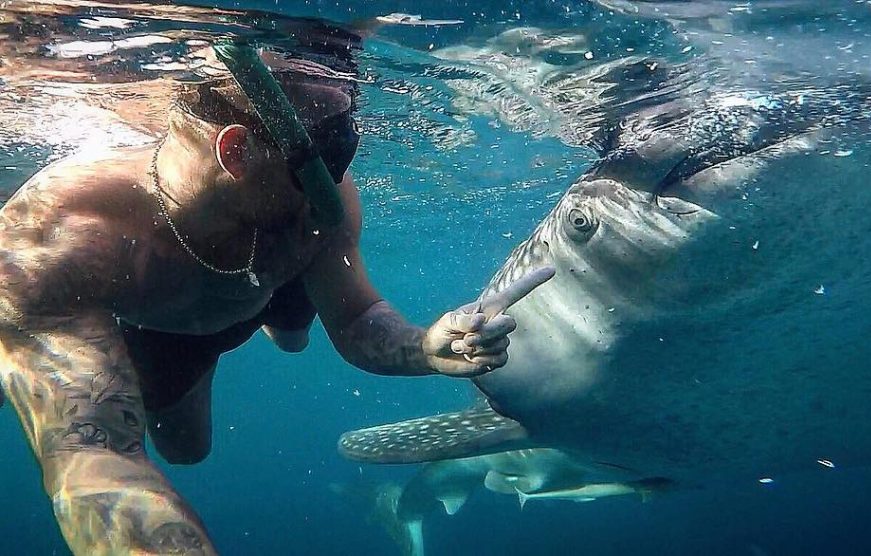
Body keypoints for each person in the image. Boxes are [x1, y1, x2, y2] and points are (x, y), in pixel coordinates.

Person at [0, 46, 552, 554]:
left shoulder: (319, 201)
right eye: (328, 154)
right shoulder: (55, 240)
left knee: (294, 332)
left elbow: (357, 317)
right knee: (186, 450)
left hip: (275, 274)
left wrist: (424, 346)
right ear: (236, 151)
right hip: (168, 326)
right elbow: (93, 456)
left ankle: (286, 320)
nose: (337, 180)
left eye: (347, 145)